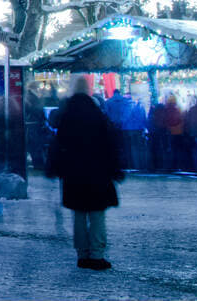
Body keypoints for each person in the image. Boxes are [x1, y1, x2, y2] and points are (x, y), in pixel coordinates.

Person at [46, 75, 123, 271]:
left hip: (74, 175)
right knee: (97, 215)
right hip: (97, 173)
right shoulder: (97, 113)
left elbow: (58, 145)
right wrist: (116, 170)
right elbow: (110, 145)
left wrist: (54, 168)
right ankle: (97, 255)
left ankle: (82, 254)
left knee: (79, 215)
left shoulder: (65, 115)